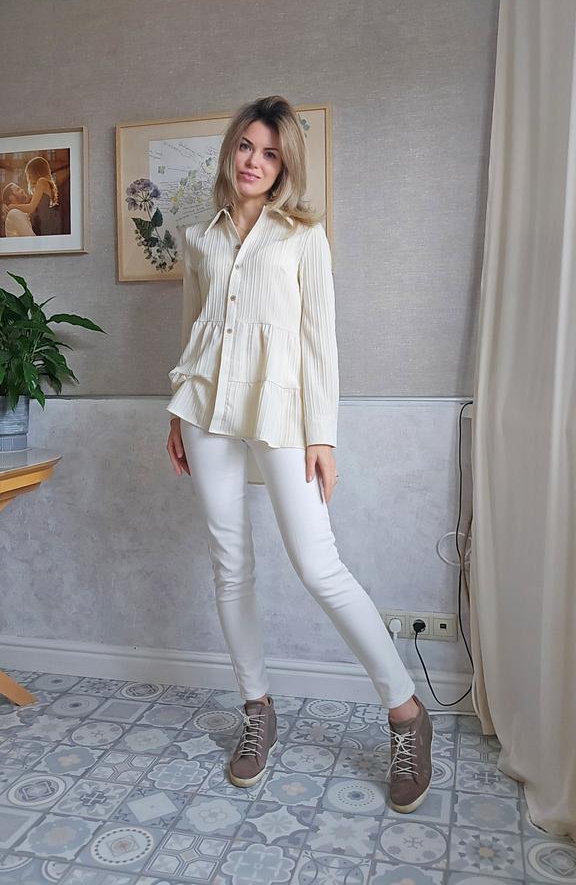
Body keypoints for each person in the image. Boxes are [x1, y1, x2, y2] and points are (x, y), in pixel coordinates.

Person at [166, 95, 433, 813]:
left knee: (319, 565)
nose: (254, 162)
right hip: (204, 408)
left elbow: (320, 341)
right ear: (231, 149)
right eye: (245, 146)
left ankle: (406, 711)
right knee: (230, 561)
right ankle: (257, 708)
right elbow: (193, 329)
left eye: (270, 153)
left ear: (286, 165)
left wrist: (323, 435)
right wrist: (176, 412)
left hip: (282, 409)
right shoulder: (200, 238)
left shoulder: (303, 237)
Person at [4, 156, 61, 236]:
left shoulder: (41, 181)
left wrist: (12, 206)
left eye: (29, 174)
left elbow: (31, 208)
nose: (29, 178)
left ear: (36, 171)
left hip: (44, 225)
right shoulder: (45, 183)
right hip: (46, 223)